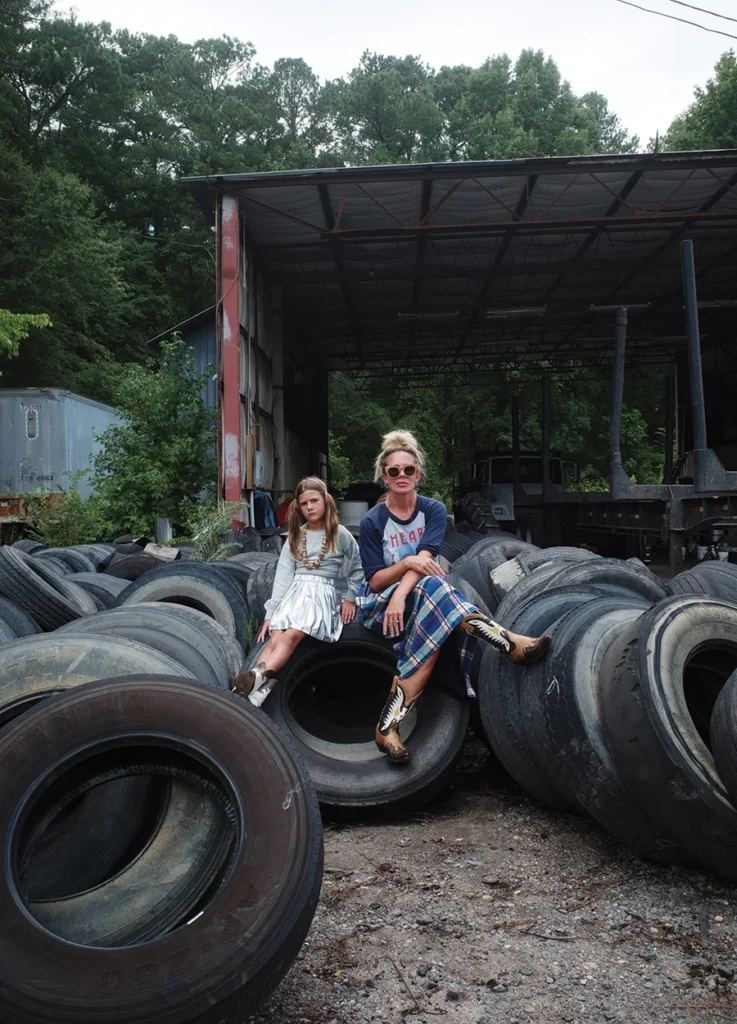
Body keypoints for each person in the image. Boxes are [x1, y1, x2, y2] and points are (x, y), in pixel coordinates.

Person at [356, 430, 551, 765]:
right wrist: (405, 566)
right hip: (381, 602)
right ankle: (508, 643)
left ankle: (388, 727)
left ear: (418, 474)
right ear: (384, 477)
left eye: (408, 470)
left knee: (433, 603)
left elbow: (428, 559)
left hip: (415, 594)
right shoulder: (373, 521)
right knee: (438, 588)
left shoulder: (432, 510)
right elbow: (374, 580)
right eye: (393, 471)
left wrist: (406, 587)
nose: (401, 476)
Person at [233, 477, 364, 706]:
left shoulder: (340, 533)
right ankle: (253, 695)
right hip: (294, 593)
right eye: (304, 504)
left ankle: (254, 681)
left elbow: (357, 567)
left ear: (325, 500)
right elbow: (283, 576)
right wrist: (271, 614)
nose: (310, 507)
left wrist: (350, 598)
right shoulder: (296, 536)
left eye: (314, 501)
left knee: (293, 633)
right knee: (275, 637)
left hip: (321, 594)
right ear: (299, 507)